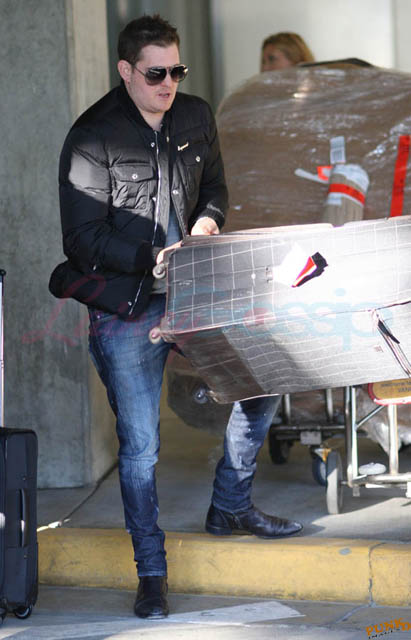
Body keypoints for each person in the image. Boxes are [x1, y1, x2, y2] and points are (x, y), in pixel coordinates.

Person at [49, 14, 302, 621]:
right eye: (156, 73)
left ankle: (230, 503)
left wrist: (208, 222)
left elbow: (214, 187)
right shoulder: (92, 136)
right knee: (141, 448)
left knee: (262, 375)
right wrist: (151, 256)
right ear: (126, 71)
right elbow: (81, 239)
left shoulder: (194, 115)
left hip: (196, 292)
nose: (169, 84)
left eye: (176, 71)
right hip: (128, 305)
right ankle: (152, 572)